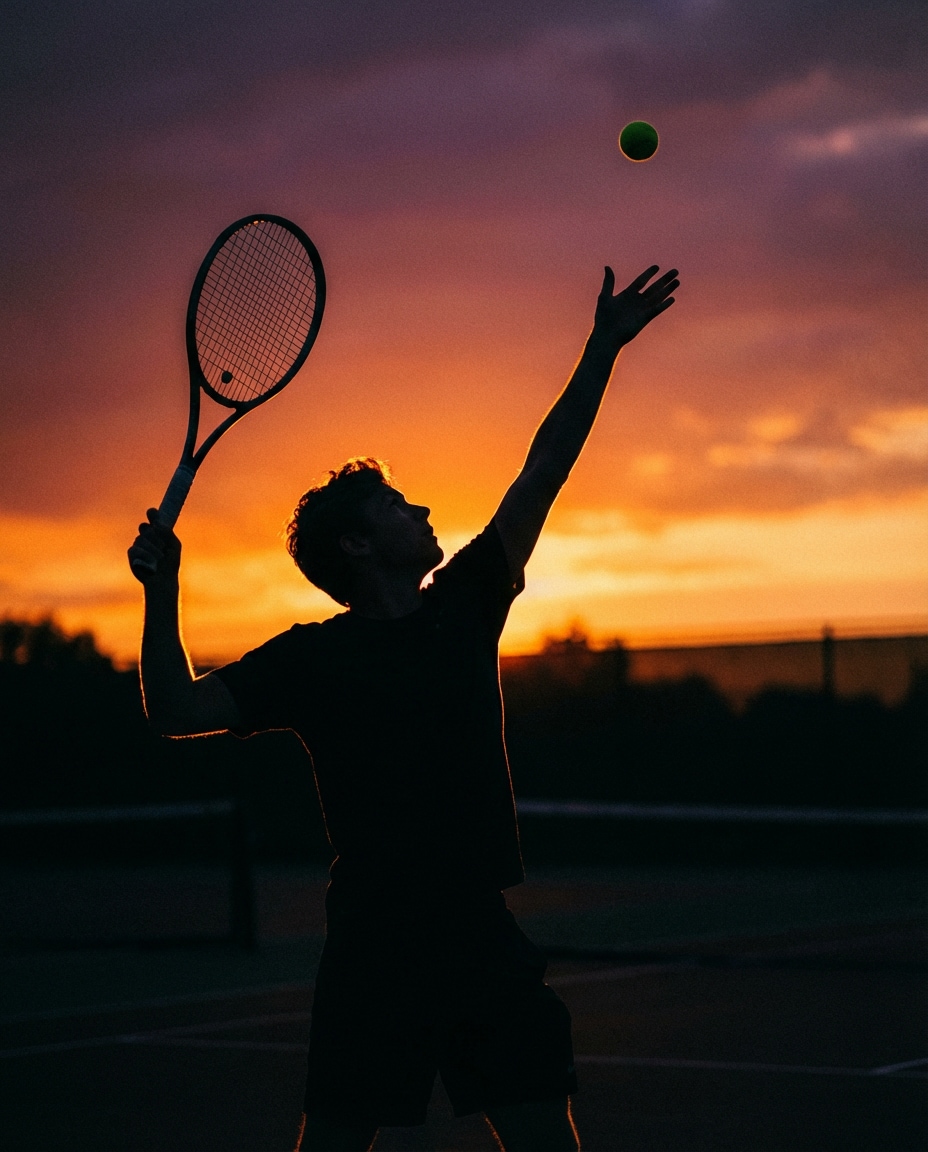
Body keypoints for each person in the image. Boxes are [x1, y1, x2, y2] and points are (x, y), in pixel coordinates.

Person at [128, 263, 678, 1152]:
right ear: (357, 544)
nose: (420, 507)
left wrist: (601, 350)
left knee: (546, 1132)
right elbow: (175, 711)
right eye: (394, 504)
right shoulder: (312, 657)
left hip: (476, 930)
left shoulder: (463, 606)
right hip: (374, 947)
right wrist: (162, 596)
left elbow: (545, 467)